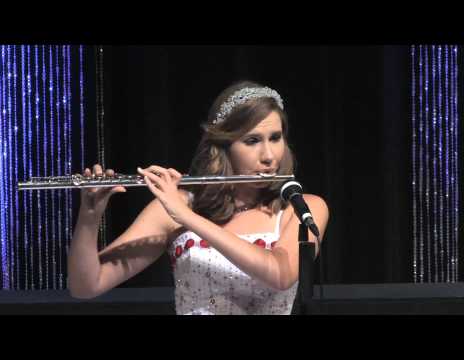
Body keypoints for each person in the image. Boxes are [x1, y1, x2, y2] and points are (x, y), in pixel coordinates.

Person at [68, 80, 329, 315]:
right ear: (225, 147)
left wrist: (187, 219)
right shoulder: (175, 206)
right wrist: (90, 215)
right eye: (252, 141)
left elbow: (280, 275)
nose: (269, 155)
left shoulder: (302, 207)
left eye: (275, 138)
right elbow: (87, 286)